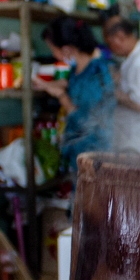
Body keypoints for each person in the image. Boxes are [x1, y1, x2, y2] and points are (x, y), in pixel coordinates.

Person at [33, 17, 116, 172]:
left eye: (53, 50)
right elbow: (73, 82)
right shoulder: (80, 67)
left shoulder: (97, 75)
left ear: (66, 49)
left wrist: (62, 97)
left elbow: (86, 122)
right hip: (80, 150)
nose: (54, 54)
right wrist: (46, 85)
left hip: (96, 154)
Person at [102, 15, 140, 156]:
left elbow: (138, 104)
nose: (111, 49)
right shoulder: (134, 59)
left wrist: (111, 90)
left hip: (135, 141)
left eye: (110, 43)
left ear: (120, 36)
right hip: (130, 137)